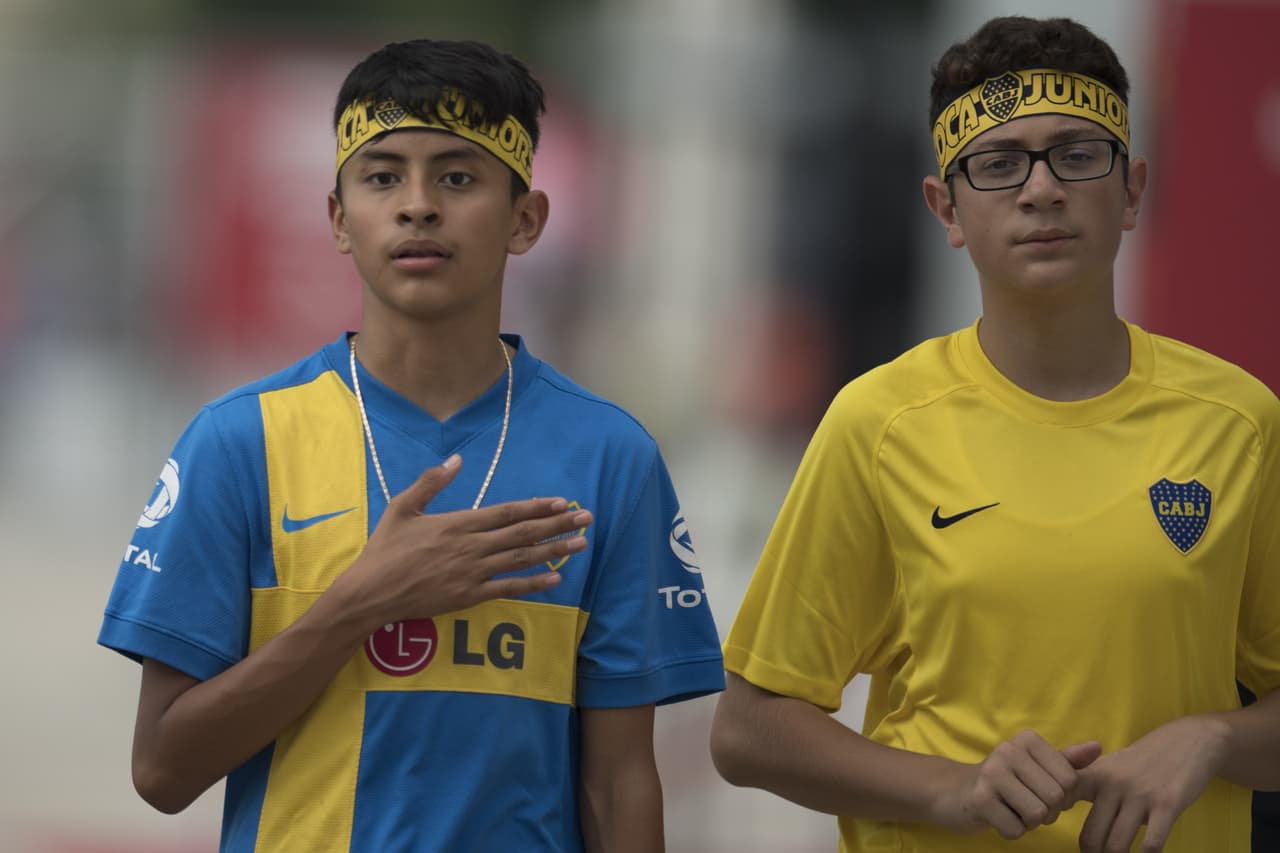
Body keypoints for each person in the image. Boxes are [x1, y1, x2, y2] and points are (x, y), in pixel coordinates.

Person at [98, 38, 723, 853]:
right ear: (337, 218)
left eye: (458, 177)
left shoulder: (610, 456)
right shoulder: (240, 440)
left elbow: (619, 780)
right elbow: (163, 770)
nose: (417, 205)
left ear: (525, 218)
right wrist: (361, 603)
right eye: (382, 175)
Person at [709, 15, 1280, 853]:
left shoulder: (1239, 420)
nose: (1041, 189)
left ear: (1132, 190)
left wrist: (1212, 737)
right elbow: (749, 729)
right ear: (946, 206)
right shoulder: (879, 422)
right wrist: (954, 788)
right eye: (999, 163)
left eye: (1077, 155)